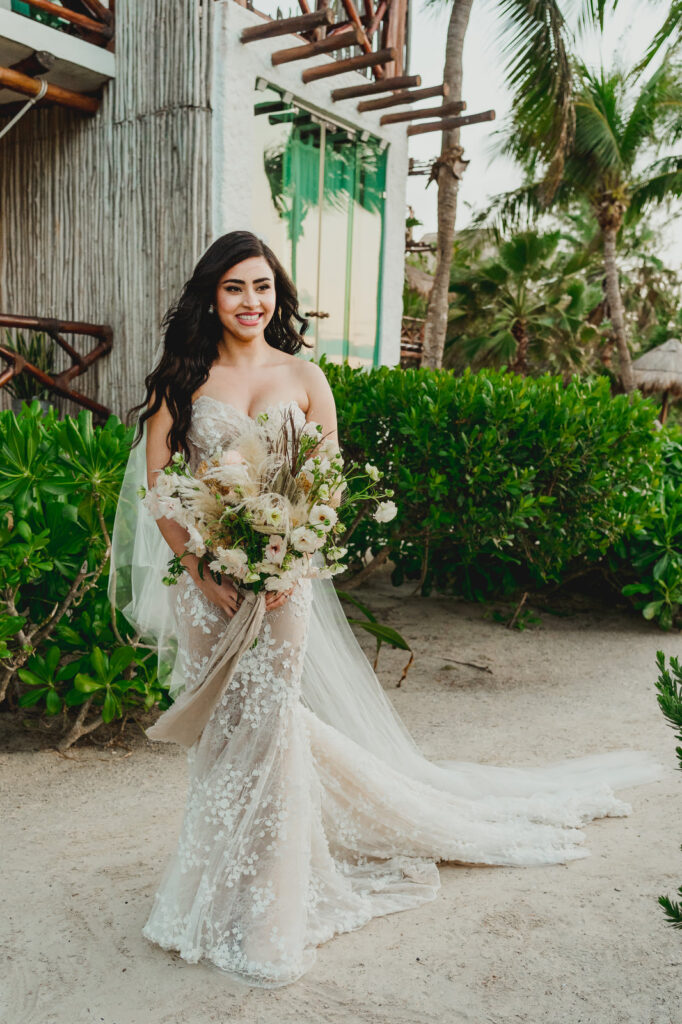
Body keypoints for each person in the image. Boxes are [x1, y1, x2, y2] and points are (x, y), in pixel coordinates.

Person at [110, 230, 664, 989]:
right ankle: (217, 890)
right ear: (212, 294)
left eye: (263, 287)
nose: (250, 301)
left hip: (282, 587)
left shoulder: (305, 376)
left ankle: (268, 911)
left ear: (278, 296)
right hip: (212, 589)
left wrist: (291, 557)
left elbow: (328, 486)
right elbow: (161, 487)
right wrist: (202, 569)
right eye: (235, 286)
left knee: (271, 726)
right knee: (227, 738)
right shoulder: (180, 381)